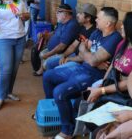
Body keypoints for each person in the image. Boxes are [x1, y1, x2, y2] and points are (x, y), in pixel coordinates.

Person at [43, 7, 122, 139]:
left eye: (99, 18)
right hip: (83, 67)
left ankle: (67, 131)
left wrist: (88, 54)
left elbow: (92, 60)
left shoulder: (114, 38)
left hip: (95, 75)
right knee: (48, 76)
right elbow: (84, 54)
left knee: (60, 92)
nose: (96, 19)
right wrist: (87, 55)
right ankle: (57, 114)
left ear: (108, 23)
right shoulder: (97, 32)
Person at [85, 11, 132, 132]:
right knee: (86, 110)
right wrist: (103, 83)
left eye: (125, 24)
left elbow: (130, 82)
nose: (121, 26)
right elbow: (112, 66)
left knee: (98, 124)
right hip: (112, 88)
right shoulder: (123, 43)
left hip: (128, 96)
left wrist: (102, 90)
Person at [43, 3, 97, 71]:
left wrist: (68, 59)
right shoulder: (83, 28)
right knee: (50, 63)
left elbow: (85, 56)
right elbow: (73, 46)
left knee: (54, 68)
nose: (77, 15)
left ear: (88, 18)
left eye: (80, 14)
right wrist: (63, 55)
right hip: (74, 54)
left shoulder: (94, 32)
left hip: (81, 61)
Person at [34, 4, 81, 76]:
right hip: (52, 49)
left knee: (46, 60)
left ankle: (48, 74)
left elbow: (62, 46)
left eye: (58, 12)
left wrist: (48, 54)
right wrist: (44, 35)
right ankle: (42, 70)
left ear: (65, 14)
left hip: (62, 53)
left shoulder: (71, 25)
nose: (56, 14)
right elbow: (54, 33)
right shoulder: (61, 22)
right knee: (41, 53)